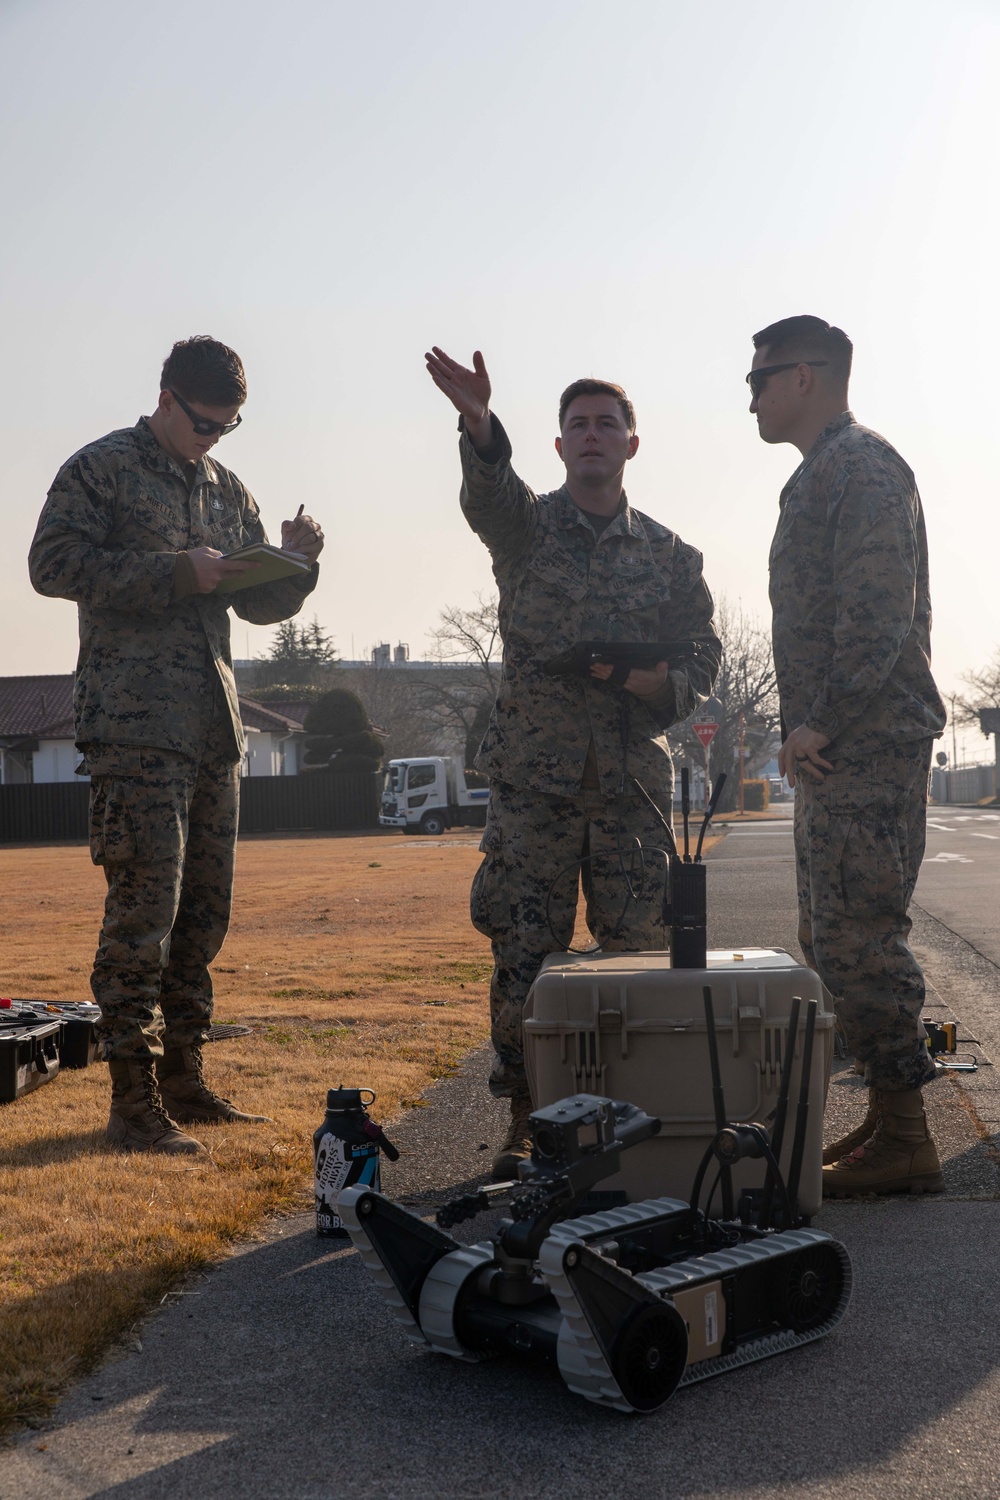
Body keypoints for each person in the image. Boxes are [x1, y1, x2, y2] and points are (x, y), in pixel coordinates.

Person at [426, 347, 721, 1177]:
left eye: (607, 424)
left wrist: (653, 680)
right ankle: (526, 1121)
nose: (592, 436)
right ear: (558, 447)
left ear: (633, 444)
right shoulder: (528, 529)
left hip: (630, 787)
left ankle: (640, 1126)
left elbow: (706, 656)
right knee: (526, 956)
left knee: (642, 953)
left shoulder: (671, 556)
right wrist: (482, 426)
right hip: (534, 784)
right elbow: (490, 498)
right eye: (577, 425)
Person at [29, 335, 325, 1156]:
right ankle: (132, 1102)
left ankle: (186, 1081)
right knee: (142, 918)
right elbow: (50, 565)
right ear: (165, 397)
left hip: (211, 731)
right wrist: (173, 573)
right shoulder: (100, 469)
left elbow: (260, 605)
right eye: (203, 425)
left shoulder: (227, 489)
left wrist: (296, 565)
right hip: (134, 729)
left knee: (203, 919)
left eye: (227, 428)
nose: (214, 441)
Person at [748, 314, 947, 1196]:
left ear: (804, 377)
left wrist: (818, 722)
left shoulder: (861, 466)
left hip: (863, 742)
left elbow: (878, 610)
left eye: (758, 379)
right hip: (839, 747)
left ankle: (909, 1137)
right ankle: (886, 1119)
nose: (748, 396)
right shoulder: (820, 475)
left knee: (861, 939)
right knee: (832, 936)